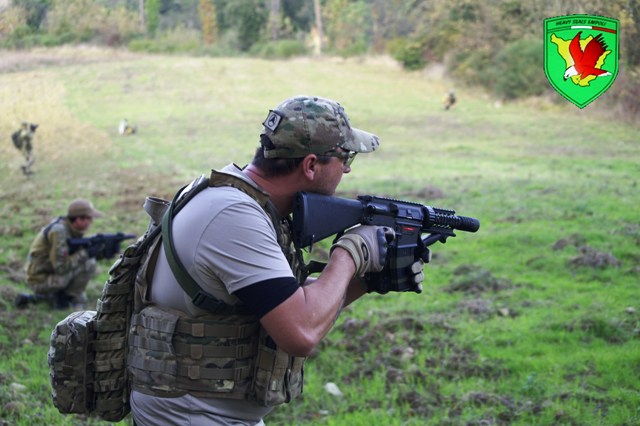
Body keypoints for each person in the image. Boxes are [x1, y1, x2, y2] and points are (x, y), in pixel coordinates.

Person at [129, 95, 425, 425]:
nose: (347, 168)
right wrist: (349, 253)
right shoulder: (234, 215)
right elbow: (300, 332)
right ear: (310, 165)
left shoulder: (244, 202)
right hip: (190, 414)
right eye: (345, 157)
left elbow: (287, 304)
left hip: (208, 410)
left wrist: (367, 281)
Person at [15, 199, 104, 309]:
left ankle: (54, 297)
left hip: (46, 274)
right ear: (78, 219)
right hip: (40, 280)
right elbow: (61, 267)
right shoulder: (59, 232)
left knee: (87, 261)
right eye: (89, 218)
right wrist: (86, 253)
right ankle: (67, 299)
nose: (91, 222)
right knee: (89, 263)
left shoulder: (68, 228)